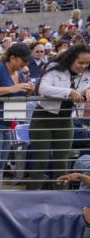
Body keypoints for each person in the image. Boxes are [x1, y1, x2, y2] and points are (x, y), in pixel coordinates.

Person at [30, 44, 90, 189]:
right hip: (43, 119)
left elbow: (84, 89)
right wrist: (69, 92)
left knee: (62, 161)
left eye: (87, 63)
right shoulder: (54, 67)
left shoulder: (87, 73)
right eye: (80, 62)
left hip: (66, 120)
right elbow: (43, 88)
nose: (83, 66)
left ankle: (60, 195)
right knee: (41, 160)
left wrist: (88, 90)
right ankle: (33, 194)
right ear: (71, 59)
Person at [0, 43, 35, 189]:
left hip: (7, 124)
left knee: (0, 165)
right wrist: (11, 88)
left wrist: (28, 90)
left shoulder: (18, 73)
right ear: (13, 58)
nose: (26, 64)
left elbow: (16, 94)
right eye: (24, 60)